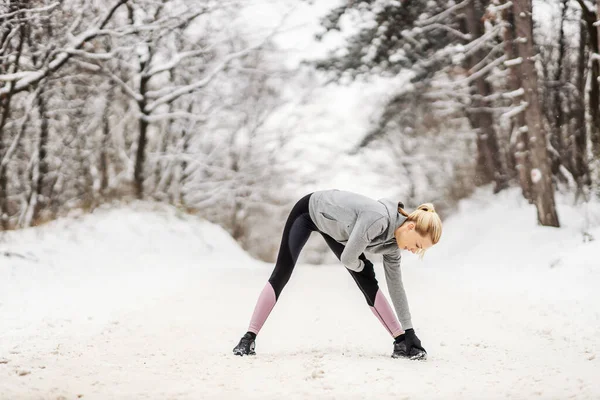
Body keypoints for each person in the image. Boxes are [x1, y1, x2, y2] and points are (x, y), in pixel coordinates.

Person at [232, 189, 442, 359]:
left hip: (339, 232)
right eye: (417, 245)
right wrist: (362, 266)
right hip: (310, 211)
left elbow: (396, 286)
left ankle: (401, 342)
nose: (414, 251)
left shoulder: (394, 248)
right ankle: (248, 337)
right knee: (282, 272)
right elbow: (349, 259)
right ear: (410, 226)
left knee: (367, 281)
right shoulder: (377, 219)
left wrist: (409, 331)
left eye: (419, 250)